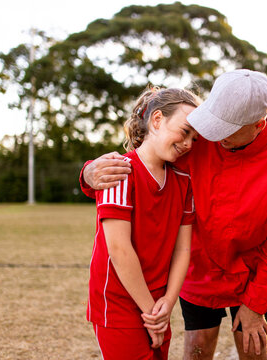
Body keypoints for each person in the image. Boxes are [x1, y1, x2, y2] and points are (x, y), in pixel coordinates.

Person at [81, 69, 267, 360]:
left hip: (251, 276)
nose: (210, 136)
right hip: (199, 272)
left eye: (228, 128)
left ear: (258, 124)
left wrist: (256, 303)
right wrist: (90, 174)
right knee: (197, 351)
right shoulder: (198, 136)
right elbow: (144, 163)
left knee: (254, 349)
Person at [86, 87, 201, 360]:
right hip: (119, 304)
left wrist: (167, 303)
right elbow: (119, 249)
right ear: (157, 120)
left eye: (195, 139)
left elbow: (183, 250)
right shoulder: (119, 171)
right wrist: (151, 313)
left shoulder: (183, 182)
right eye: (185, 132)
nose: (188, 143)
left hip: (158, 304)